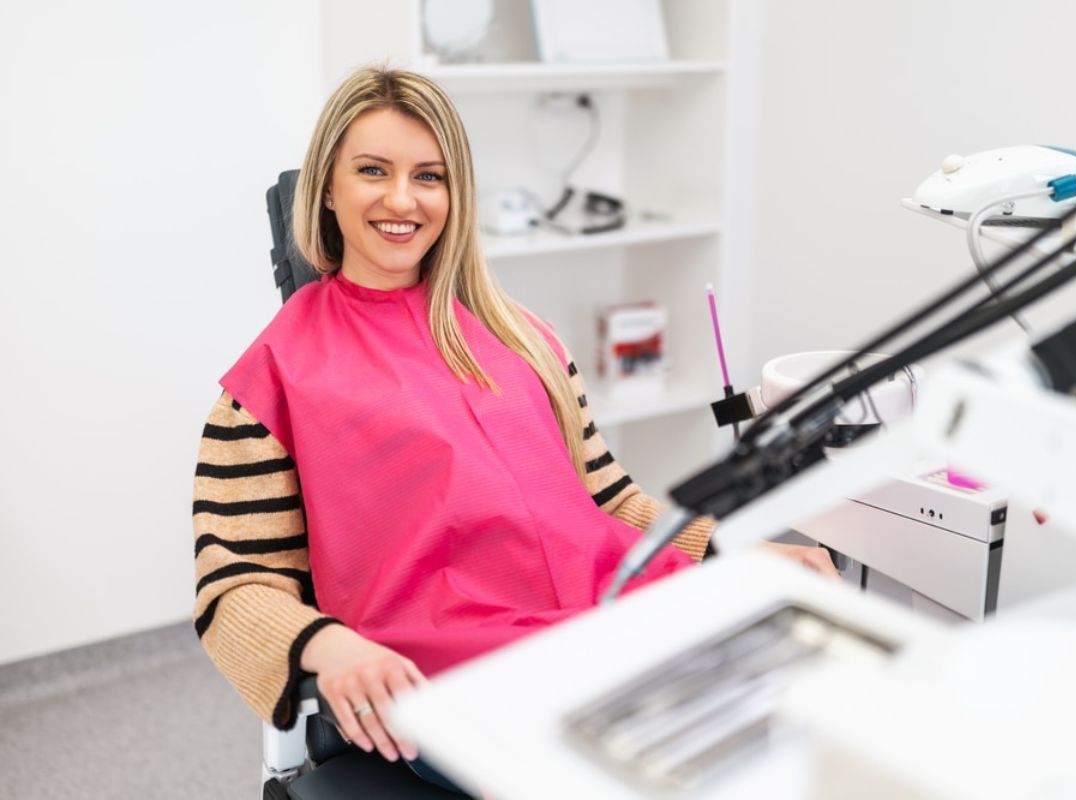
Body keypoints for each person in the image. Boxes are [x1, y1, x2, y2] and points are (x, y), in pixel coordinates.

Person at [192, 66, 837, 790]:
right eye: (372, 171)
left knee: (819, 723)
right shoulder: (270, 379)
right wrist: (330, 647)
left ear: (455, 195)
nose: (402, 200)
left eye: (429, 177)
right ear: (328, 190)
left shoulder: (526, 338)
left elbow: (612, 499)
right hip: (465, 681)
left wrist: (732, 549)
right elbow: (235, 583)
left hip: (619, 621)